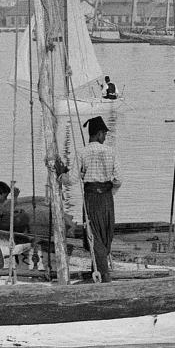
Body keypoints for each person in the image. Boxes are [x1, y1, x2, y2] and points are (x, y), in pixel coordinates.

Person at [79, 115, 120, 282]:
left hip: (91, 199)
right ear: (98, 134)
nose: (105, 137)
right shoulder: (111, 151)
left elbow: (73, 178)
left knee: (92, 234)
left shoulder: (82, 151)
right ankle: (99, 270)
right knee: (105, 234)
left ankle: (102, 273)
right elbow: (118, 179)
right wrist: (110, 192)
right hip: (106, 199)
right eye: (104, 134)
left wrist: (60, 176)